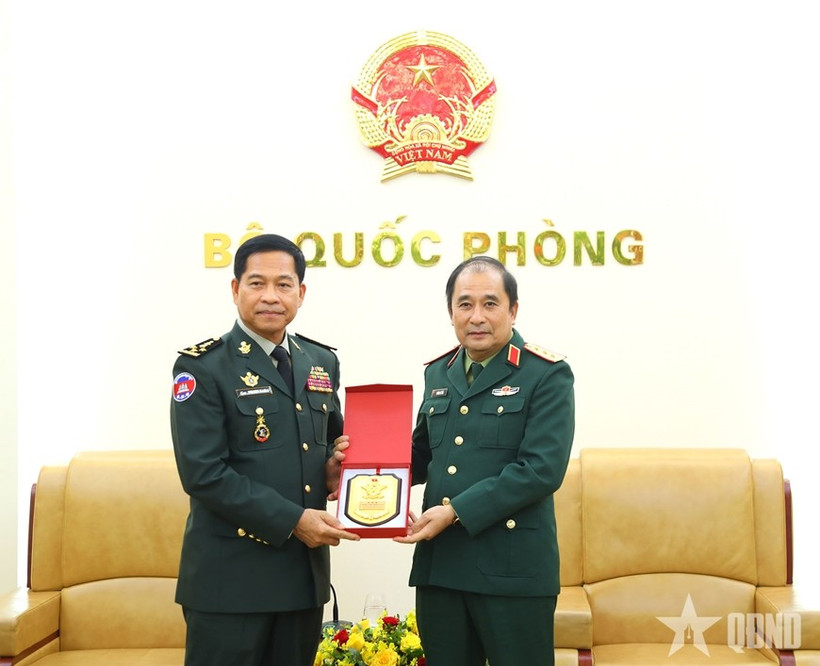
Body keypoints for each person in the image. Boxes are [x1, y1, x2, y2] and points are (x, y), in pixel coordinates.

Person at [170, 233, 360, 666]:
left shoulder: (319, 361)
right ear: (236, 289)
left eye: (284, 284)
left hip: (301, 579)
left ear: (301, 293)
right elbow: (203, 474)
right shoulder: (202, 366)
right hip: (230, 582)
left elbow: (328, 445)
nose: (271, 296)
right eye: (257, 283)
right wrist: (294, 521)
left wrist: (334, 469)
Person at [394, 256, 575, 666]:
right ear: (451, 312)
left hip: (512, 570)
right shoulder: (439, 372)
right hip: (441, 567)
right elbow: (422, 455)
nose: (477, 317)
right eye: (465, 304)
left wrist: (455, 511)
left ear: (513, 309)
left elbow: (541, 469)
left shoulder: (546, 373)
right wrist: (367, 471)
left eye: (490, 304)